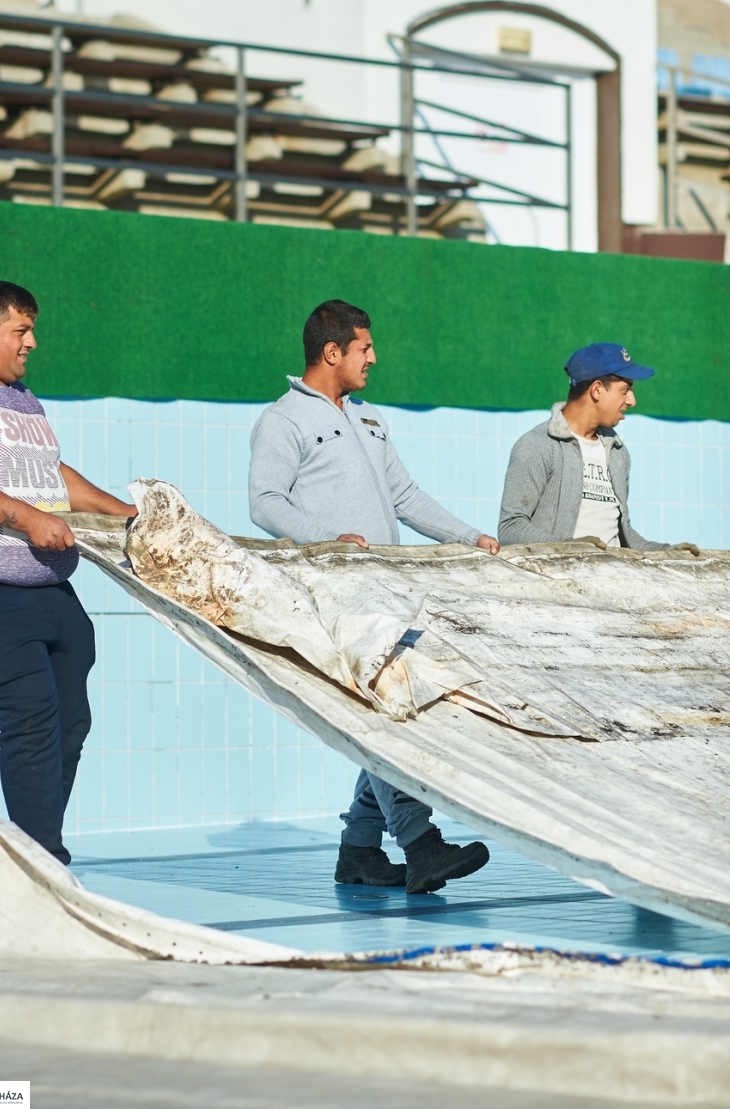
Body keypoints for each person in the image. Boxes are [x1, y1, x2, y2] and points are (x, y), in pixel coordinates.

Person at [249, 299, 497, 895]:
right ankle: (420, 845)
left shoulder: (370, 418)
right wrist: (328, 542)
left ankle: (360, 852)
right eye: (365, 348)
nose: (374, 358)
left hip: (390, 594)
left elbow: (405, 496)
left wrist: (469, 537)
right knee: (382, 720)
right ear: (331, 352)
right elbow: (264, 503)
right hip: (338, 598)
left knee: (377, 717)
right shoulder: (283, 420)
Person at [0, 280, 136, 865]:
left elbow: (49, 474)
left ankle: (29, 852)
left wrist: (116, 510)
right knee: (31, 722)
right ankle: (40, 863)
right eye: (21, 330)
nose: (32, 342)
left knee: (70, 723)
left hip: (48, 590)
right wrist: (25, 519)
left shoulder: (20, 396)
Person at [498, 342, 697, 553]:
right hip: (558, 581)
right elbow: (510, 527)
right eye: (625, 390)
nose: (632, 401)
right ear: (597, 390)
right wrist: (565, 548)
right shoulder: (537, 445)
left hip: (613, 581)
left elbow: (622, 535)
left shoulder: (618, 453)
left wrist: (664, 552)